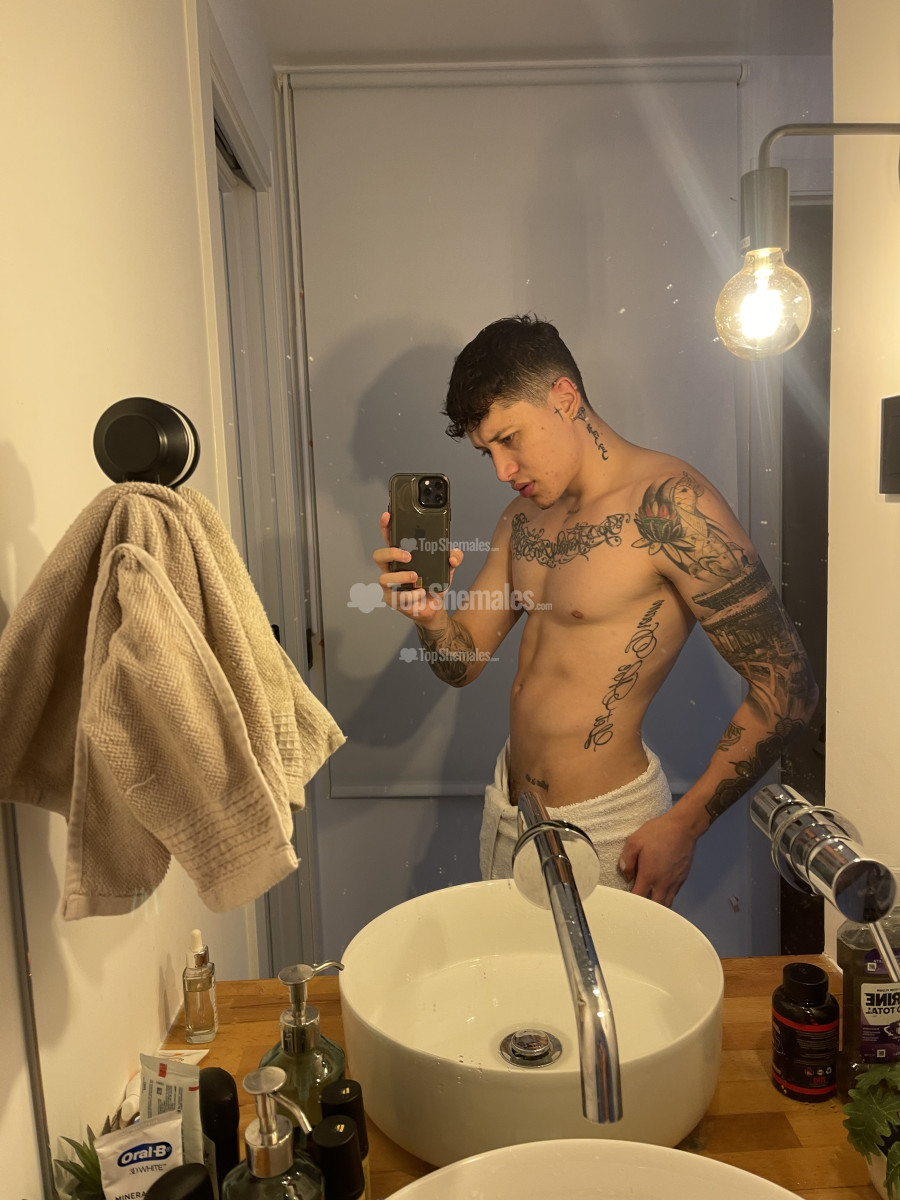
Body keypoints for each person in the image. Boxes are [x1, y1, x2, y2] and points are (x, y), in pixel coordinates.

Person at [372, 315, 818, 906]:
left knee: (602, 974)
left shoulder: (671, 507)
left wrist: (686, 825)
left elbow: (790, 688)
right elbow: (464, 662)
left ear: (564, 398)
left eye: (510, 439)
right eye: (487, 453)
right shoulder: (522, 518)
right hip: (509, 811)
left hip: (608, 826)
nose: (502, 470)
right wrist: (431, 618)